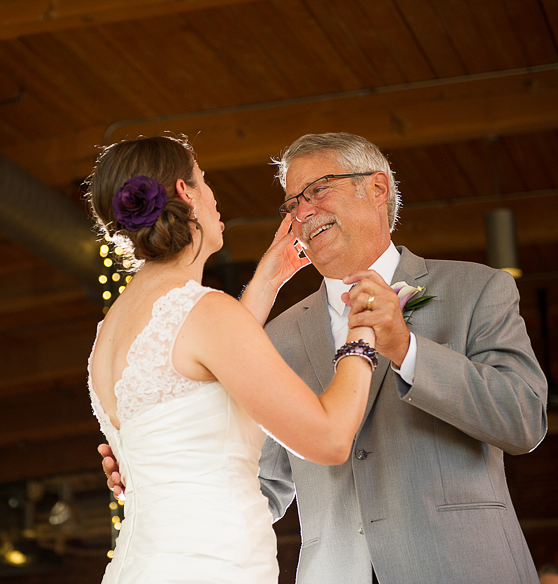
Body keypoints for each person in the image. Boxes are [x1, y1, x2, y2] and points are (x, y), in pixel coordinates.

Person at [103, 132, 548, 584]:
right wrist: (164, 471)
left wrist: (406, 349)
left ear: (377, 189)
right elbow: (262, 483)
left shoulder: (476, 289)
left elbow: (524, 419)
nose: (302, 210)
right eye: (292, 201)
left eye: (317, 189)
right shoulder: (276, 336)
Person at [85, 134, 380, 583]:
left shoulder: (111, 329)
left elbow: (203, 371)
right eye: (204, 181)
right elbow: (331, 439)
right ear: (186, 193)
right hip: (212, 566)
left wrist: (269, 276)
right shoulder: (204, 312)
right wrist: (362, 331)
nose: (213, 195)